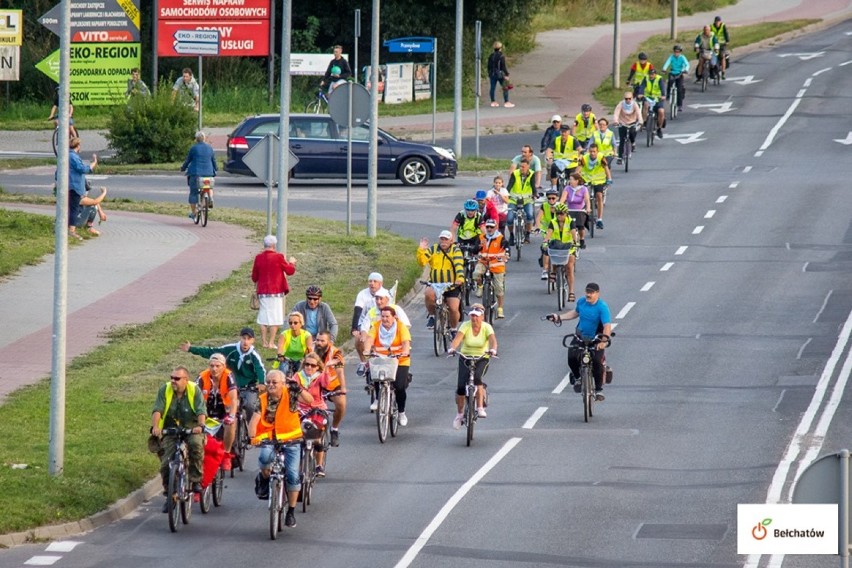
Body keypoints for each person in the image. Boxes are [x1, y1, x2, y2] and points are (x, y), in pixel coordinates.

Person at [249, 369, 313, 529]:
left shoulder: (290, 394)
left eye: (274, 382)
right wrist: (251, 437)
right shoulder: (262, 399)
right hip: (269, 438)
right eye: (268, 382)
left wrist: (298, 388)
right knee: (264, 459)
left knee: (292, 475)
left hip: (292, 439)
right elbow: (254, 420)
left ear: (283, 384)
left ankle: (290, 511)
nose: (270, 385)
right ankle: (263, 479)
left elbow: (309, 400)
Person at [151, 366, 207, 512]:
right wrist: (156, 427)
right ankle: (170, 495)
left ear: (185, 379)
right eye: (171, 377)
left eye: (176, 378)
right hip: (171, 429)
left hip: (191, 427)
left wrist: (200, 425)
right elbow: (158, 409)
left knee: (196, 445)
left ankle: (195, 480)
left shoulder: (194, 390)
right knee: (165, 464)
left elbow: (201, 411)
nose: (173, 381)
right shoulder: (165, 389)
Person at [180, 326, 266, 421]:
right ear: (240, 338)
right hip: (230, 385)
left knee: (250, 405)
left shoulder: (254, 355)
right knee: (222, 406)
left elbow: (260, 369)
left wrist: (262, 382)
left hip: (248, 387)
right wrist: (191, 349)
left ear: (252, 340)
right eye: (243, 338)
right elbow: (211, 352)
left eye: (248, 339)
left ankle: (250, 430)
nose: (245, 342)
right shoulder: (230, 349)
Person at [550, 282, 612, 401]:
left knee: (596, 361)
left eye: (591, 293)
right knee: (571, 356)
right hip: (581, 337)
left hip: (596, 339)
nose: (588, 295)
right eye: (587, 292)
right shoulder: (582, 302)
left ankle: (598, 390)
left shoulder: (602, 307)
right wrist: (559, 317)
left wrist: (603, 341)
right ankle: (578, 377)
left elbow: (607, 326)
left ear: (597, 293)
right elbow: (575, 313)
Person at [448, 304, 497, 429]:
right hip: (465, 357)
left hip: (481, 358)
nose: (474, 319)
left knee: (477, 379)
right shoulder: (465, 325)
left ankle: (480, 407)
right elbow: (458, 339)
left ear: (482, 317)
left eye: (476, 316)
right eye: (472, 316)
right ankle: (459, 415)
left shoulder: (487, 327)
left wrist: (493, 349)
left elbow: (493, 341)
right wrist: (452, 348)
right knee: (460, 387)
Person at [365, 305, 412, 426]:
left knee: (399, 386)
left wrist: (405, 351)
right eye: (383, 316)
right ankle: (378, 398)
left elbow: (406, 342)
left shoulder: (400, 327)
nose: (385, 319)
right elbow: (369, 339)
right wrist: (366, 350)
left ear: (394, 317)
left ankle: (401, 412)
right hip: (381, 358)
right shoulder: (376, 326)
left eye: (387, 316)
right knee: (374, 374)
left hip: (399, 360)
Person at [293, 352, 335, 476]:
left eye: (312, 365)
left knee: (317, 438)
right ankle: (298, 463)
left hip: (318, 410)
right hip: (301, 410)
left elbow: (327, 384)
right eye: (307, 364)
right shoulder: (297, 376)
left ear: (317, 367)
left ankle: (319, 465)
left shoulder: (320, 376)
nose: (309, 367)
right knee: (297, 437)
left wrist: (327, 368)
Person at [251, 235, 297, 349]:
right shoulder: (278, 257)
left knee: (263, 316)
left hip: (262, 291)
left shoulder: (258, 257)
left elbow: (254, 276)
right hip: (276, 291)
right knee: (275, 317)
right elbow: (290, 271)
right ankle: (271, 342)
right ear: (274, 245)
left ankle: (264, 342)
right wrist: (291, 262)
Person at [196, 353, 238, 471]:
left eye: (217, 366)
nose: (214, 369)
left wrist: (232, 416)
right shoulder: (202, 377)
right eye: (212, 366)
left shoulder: (228, 376)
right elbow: (194, 395)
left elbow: (234, 399)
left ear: (223, 366)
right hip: (207, 410)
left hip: (224, 409)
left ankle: (226, 454)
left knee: (231, 423)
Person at [417, 230, 464, 330]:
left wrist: (459, 278)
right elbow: (422, 262)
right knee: (428, 294)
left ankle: (453, 329)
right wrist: (421, 250)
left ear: (451, 241)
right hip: (435, 284)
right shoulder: (433, 249)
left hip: (451, 285)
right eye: (442, 239)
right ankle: (432, 316)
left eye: (446, 239)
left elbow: (459, 265)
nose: (443, 241)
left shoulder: (455, 250)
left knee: (453, 308)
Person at [314, 331, 346, 446]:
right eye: (317, 340)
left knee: (341, 404)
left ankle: (334, 429)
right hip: (315, 384)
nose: (319, 343)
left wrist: (343, 388)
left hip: (332, 384)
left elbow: (339, 371)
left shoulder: (336, 352)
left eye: (322, 341)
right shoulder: (310, 350)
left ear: (329, 342)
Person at [351, 272, 386, 376]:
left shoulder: (386, 294)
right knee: (358, 338)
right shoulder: (362, 294)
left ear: (380, 284)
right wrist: (354, 328)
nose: (372, 284)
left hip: (381, 324)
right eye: (370, 281)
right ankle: (363, 362)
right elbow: (357, 310)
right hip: (365, 323)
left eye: (375, 281)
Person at [473, 219, 508, 318]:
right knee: (476, 274)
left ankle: (500, 309)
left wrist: (507, 254)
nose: (489, 229)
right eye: (487, 227)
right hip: (484, 262)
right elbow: (475, 250)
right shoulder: (481, 237)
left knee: (499, 288)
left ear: (495, 227)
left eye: (491, 227)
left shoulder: (500, 238)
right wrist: (479, 246)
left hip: (497, 265)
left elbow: (507, 247)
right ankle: (480, 286)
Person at [543, 203, 578, 302]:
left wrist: (576, 242)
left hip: (568, 247)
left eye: (561, 214)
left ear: (566, 214)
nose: (559, 216)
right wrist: (545, 241)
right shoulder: (553, 222)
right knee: (552, 255)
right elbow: (549, 233)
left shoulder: (570, 222)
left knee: (569, 267)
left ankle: (571, 292)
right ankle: (553, 271)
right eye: (557, 213)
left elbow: (574, 233)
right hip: (557, 246)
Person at [66, 137, 98, 240]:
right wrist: (93, 164)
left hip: (69, 185)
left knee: (72, 207)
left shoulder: (67, 155)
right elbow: (82, 169)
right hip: (74, 186)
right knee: (74, 208)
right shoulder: (73, 157)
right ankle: (71, 230)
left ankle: (68, 227)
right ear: (78, 146)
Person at [180, 131, 216, 220]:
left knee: (193, 193)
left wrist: (183, 168)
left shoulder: (193, 148)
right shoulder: (210, 148)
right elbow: (213, 161)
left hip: (196, 173)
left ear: (196, 139)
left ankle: (194, 213)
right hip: (208, 172)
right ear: (204, 138)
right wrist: (215, 169)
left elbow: (188, 160)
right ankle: (210, 198)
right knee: (209, 188)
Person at [577, 144, 612, 230]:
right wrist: (576, 178)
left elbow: (606, 168)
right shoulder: (584, 158)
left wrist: (609, 178)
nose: (592, 153)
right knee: (583, 196)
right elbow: (578, 169)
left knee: (599, 196)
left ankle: (599, 219)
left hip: (599, 180)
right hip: (587, 179)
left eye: (594, 152)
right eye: (591, 151)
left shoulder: (601, 157)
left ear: (597, 151)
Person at [506, 159, 536, 246]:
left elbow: (533, 186)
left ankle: (527, 234)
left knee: (530, 215)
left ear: (528, 167)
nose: (521, 168)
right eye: (520, 166)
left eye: (523, 167)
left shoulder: (532, 174)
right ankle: (511, 235)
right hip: (514, 199)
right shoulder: (515, 173)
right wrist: (506, 193)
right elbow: (510, 185)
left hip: (527, 200)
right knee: (510, 218)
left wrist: (535, 194)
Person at [560, 172, 591, 249]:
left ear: (577, 181)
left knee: (580, 226)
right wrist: (560, 206)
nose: (570, 181)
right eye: (569, 179)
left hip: (580, 210)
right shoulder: (567, 188)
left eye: (571, 180)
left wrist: (588, 208)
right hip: (570, 209)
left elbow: (587, 200)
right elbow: (563, 199)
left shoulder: (583, 189)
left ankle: (582, 239)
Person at [535, 188, 560, 279]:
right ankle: (545, 270)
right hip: (547, 232)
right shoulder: (544, 205)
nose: (551, 200)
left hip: (559, 232)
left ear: (557, 198)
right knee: (546, 249)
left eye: (553, 198)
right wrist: (538, 227)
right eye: (549, 198)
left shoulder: (561, 206)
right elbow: (538, 218)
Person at [613, 91, 642, 164]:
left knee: (632, 133)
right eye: (626, 99)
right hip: (622, 123)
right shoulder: (621, 104)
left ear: (632, 98)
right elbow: (616, 113)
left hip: (632, 122)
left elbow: (638, 113)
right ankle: (620, 157)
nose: (628, 100)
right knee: (622, 140)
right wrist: (616, 121)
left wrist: (640, 121)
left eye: (629, 98)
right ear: (624, 99)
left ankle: (633, 143)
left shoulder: (635, 104)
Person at [548, 125, 580, 190]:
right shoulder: (556, 139)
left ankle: (573, 189)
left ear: (568, 132)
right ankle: (554, 188)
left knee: (572, 177)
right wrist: (548, 157)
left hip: (571, 162)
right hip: (559, 161)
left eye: (565, 132)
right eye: (562, 132)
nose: (563, 133)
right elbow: (549, 150)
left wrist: (579, 157)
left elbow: (579, 149)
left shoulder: (573, 140)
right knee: (553, 168)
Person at [638, 68, 667, 140]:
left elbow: (662, 87)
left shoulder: (659, 79)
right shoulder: (646, 78)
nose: (651, 76)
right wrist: (640, 93)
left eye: (653, 74)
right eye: (650, 74)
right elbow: (642, 86)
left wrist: (663, 95)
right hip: (648, 97)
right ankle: (644, 122)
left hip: (658, 99)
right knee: (645, 105)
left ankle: (659, 129)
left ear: (655, 74)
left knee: (661, 112)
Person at [662, 45, 690, 113]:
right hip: (672, 72)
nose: (676, 53)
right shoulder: (671, 57)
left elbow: (687, 64)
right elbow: (667, 63)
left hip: (679, 73)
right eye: (675, 52)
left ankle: (679, 105)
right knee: (670, 83)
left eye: (678, 52)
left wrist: (685, 70)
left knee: (679, 89)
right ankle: (668, 95)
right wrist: (664, 69)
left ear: (680, 52)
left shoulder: (682, 57)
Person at [487, 41, 514, 108]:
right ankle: (506, 102)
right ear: (500, 48)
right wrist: (507, 74)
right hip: (500, 74)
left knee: (492, 88)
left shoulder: (491, 56)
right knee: (505, 87)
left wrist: (489, 73)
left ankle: (493, 101)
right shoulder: (501, 56)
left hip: (492, 74)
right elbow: (503, 66)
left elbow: (488, 66)